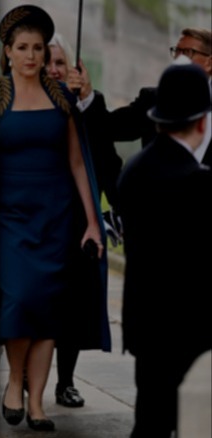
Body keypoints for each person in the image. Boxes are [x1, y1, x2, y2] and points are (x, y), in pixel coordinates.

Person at [0, 5, 107, 432]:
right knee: (20, 300)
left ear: (45, 53)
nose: (30, 55)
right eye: (22, 47)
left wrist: (93, 223)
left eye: (37, 48)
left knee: (47, 309)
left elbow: (79, 164)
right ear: (8, 52)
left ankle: (38, 403)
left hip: (56, 215)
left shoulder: (62, 100)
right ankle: (13, 386)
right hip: (10, 216)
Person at [117, 62, 212, 438]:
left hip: (147, 320)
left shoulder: (136, 169)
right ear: (202, 122)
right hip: (190, 328)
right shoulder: (197, 182)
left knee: (151, 419)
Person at [44, 32, 121, 409]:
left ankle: (65, 381)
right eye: (49, 63)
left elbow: (104, 157)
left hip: (75, 216)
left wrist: (84, 100)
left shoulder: (86, 104)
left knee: (73, 299)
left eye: (61, 62)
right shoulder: (23, 103)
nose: (55, 69)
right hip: (33, 214)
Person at [105, 28, 211, 165]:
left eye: (187, 52)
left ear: (209, 63)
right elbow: (109, 127)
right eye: (177, 51)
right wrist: (87, 97)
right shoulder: (153, 100)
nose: (179, 58)